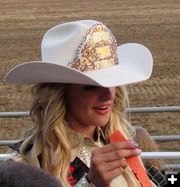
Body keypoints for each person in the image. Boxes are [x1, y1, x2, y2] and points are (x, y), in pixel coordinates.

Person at [5, 20, 154, 187]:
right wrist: (90, 183)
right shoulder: (26, 164)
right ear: (59, 94)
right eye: (91, 87)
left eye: (112, 82)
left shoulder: (120, 145)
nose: (108, 95)